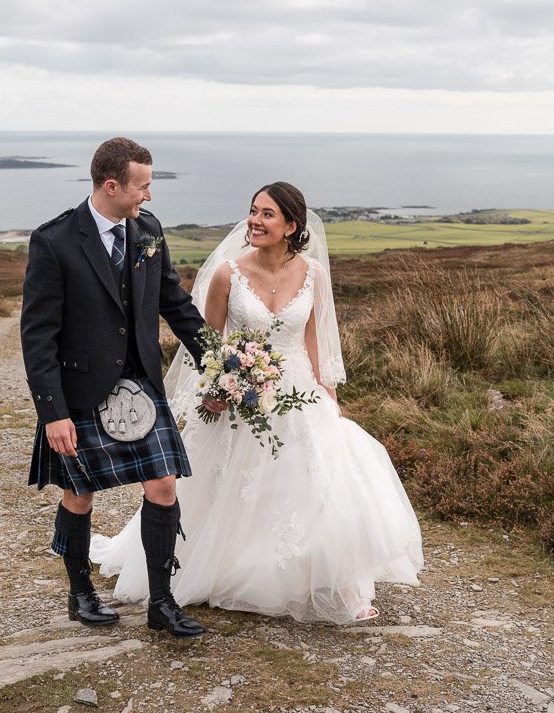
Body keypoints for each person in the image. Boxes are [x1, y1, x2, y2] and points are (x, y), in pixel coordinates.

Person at [93, 182, 424, 624]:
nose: (254, 220)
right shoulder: (228, 274)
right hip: (238, 394)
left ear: (291, 226)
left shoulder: (314, 275)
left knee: (322, 483)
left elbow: (314, 343)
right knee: (232, 485)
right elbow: (206, 343)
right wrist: (216, 387)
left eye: (267, 214)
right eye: (253, 211)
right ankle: (224, 569)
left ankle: (340, 585)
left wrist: (330, 397)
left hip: (299, 393)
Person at [21, 136, 221, 638]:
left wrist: (218, 364)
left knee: (164, 486)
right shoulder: (55, 242)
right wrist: (53, 413)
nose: (148, 197)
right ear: (112, 186)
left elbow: (174, 304)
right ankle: (80, 593)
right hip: (81, 391)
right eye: (143, 187)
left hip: (141, 383)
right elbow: (38, 335)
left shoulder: (148, 231)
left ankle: (162, 601)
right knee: (79, 493)